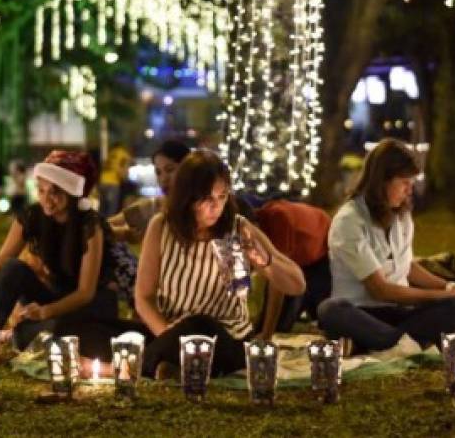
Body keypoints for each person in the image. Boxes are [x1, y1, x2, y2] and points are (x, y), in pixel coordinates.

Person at [135, 150, 305, 378]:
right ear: (188, 197)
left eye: (222, 197)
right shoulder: (162, 227)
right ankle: (175, 363)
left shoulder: (237, 229)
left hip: (227, 338)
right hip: (170, 332)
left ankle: (136, 366)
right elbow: (143, 297)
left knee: (200, 325)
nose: (216, 207)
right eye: (207, 199)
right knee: (97, 328)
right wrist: (169, 338)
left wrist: (263, 261)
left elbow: (297, 285)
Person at [317, 139, 455, 355]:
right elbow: (380, 290)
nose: (409, 190)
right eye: (404, 182)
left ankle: (380, 342)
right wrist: (444, 295)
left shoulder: (401, 216)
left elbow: (407, 267)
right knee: (330, 310)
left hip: (401, 311)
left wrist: (450, 289)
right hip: (362, 312)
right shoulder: (349, 220)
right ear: (382, 180)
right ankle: (408, 342)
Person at [0, 151, 119, 358]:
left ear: (72, 193)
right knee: (13, 268)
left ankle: (17, 335)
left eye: (55, 192)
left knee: (55, 328)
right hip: (54, 295)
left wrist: (46, 312)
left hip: (89, 305)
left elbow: (85, 293)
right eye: (41, 190)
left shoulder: (90, 225)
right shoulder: (32, 215)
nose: (47, 199)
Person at [253, 199, 332, 341]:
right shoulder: (263, 224)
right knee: (279, 321)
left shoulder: (278, 218)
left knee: (321, 315)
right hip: (299, 254)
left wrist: (267, 333)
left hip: (321, 249)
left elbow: (278, 282)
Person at [109, 140, 191, 243]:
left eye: (170, 170)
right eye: (158, 172)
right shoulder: (156, 205)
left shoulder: (203, 209)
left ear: (188, 170)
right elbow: (108, 225)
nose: (163, 179)